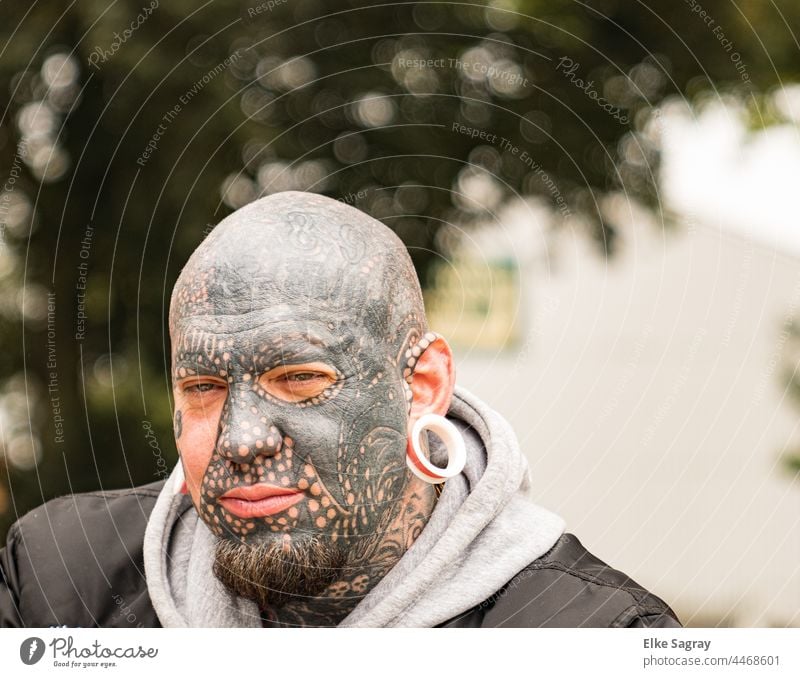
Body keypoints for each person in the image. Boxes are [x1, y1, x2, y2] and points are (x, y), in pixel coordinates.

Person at [0, 191, 680, 628]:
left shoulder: (590, 636)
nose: (241, 439)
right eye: (204, 386)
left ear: (424, 384)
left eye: (299, 377)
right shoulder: (58, 585)